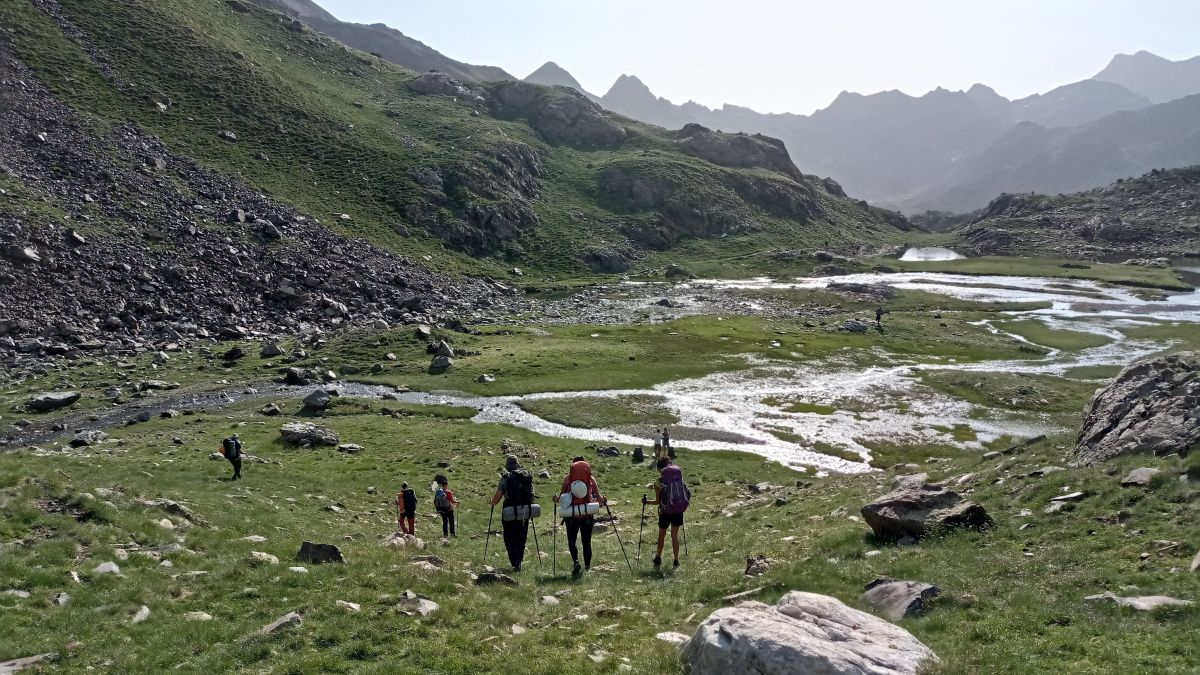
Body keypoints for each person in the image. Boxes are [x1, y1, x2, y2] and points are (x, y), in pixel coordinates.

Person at [560, 456, 606, 576]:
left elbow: (561, 499)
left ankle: (576, 562)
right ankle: (587, 567)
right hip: (587, 514)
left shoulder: (567, 479)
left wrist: (555, 498)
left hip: (571, 515)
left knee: (572, 541)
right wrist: (603, 500)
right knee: (586, 542)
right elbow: (600, 499)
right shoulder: (591, 479)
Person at [643, 457, 690, 569]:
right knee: (674, 536)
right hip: (678, 510)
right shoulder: (679, 478)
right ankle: (676, 560)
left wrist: (646, 502)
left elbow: (657, 501)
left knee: (662, 535)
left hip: (665, 512)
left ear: (659, 469)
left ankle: (658, 557)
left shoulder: (658, 482)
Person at [490, 455, 534, 572]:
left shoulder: (505, 478)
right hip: (524, 511)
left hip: (509, 511)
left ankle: (514, 562)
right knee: (521, 536)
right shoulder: (526, 476)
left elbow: (497, 499)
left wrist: (492, 502)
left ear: (507, 466)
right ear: (518, 465)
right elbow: (531, 496)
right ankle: (519, 560)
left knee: (509, 537)